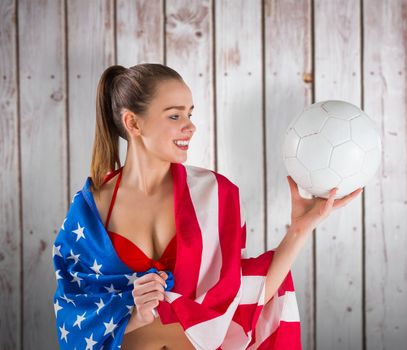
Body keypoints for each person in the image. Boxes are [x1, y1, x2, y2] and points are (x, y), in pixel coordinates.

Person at [51, 63, 362, 350]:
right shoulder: (90, 211)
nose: (190, 126)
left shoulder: (216, 194)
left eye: (190, 114)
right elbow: (74, 316)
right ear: (133, 122)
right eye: (175, 116)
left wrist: (300, 228)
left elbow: (242, 301)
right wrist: (135, 315)